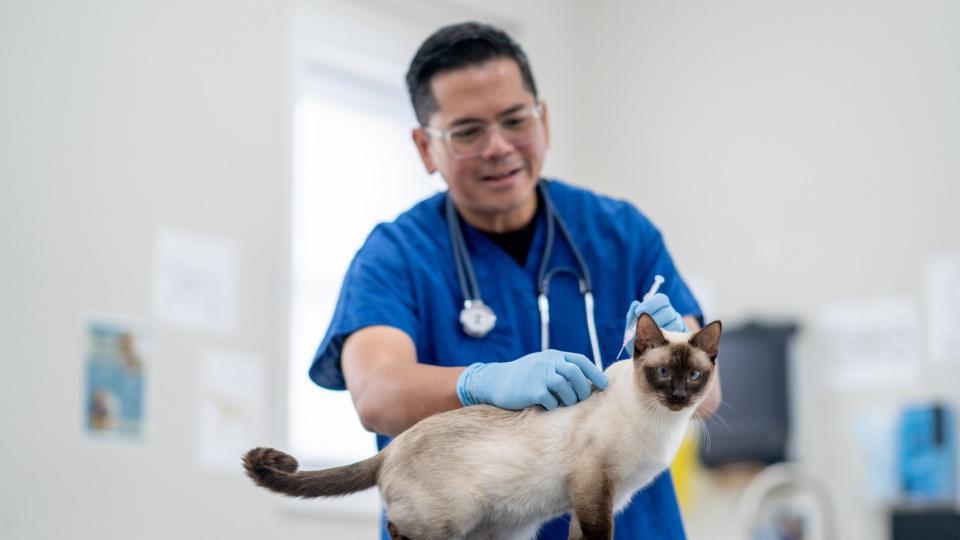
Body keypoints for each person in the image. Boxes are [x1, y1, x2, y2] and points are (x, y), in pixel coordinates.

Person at [309, 21, 720, 540]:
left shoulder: (622, 234)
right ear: (425, 148)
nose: (499, 146)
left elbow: (705, 395)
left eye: (515, 119)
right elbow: (375, 393)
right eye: (467, 131)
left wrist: (678, 348)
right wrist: (478, 382)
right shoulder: (395, 254)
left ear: (544, 119)